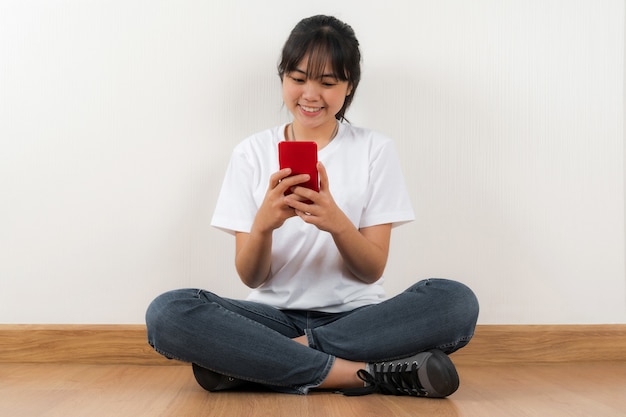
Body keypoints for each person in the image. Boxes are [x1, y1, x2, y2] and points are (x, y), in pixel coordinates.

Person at [146, 14, 479, 398]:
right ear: (283, 78)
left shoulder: (375, 150)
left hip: (358, 317)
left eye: (328, 82)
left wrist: (337, 223)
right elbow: (251, 278)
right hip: (272, 320)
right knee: (168, 312)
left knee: (455, 301)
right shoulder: (251, 153)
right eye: (299, 78)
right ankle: (363, 374)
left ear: (349, 85)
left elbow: (371, 271)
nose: (310, 94)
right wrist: (264, 226)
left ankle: (263, 362)